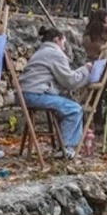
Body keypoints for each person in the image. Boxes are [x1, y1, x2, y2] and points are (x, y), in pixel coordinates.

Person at [19, 27, 92, 159]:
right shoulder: (54, 53)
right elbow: (70, 81)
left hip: (25, 94)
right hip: (35, 95)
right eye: (63, 43)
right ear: (57, 40)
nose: (64, 47)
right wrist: (85, 70)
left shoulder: (41, 52)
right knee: (75, 109)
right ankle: (66, 148)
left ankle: (63, 145)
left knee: (65, 104)